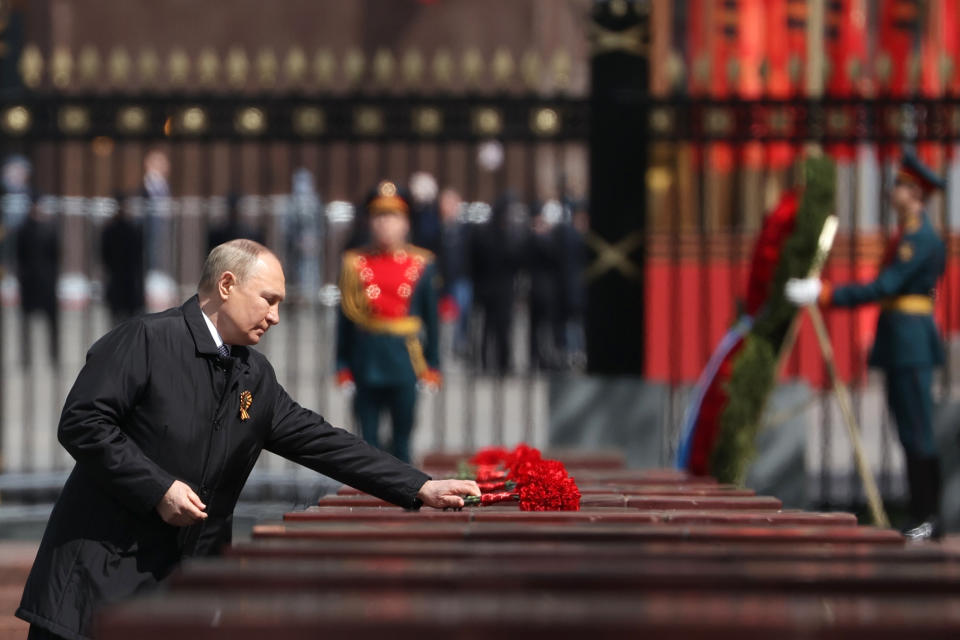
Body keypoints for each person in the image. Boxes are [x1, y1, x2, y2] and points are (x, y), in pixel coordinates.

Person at [17, 239, 478, 640]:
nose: (276, 317)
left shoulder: (253, 373)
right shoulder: (147, 339)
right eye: (268, 300)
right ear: (226, 286)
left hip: (181, 593)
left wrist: (419, 487)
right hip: (94, 586)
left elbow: (321, 440)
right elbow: (82, 421)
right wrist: (156, 487)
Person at [785, 152, 946, 541]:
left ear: (915, 193)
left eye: (899, 186)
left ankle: (930, 517)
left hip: (911, 344)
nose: (892, 192)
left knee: (918, 432)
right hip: (899, 341)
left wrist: (824, 294)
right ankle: (920, 512)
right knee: (908, 431)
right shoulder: (907, 234)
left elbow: (885, 287)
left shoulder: (919, 239)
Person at [336, 181, 441, 464]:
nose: (385, 224)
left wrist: (433, 365)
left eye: (393, 216)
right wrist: (342, 365)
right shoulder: (354, 263)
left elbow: (432, 318)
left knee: (403, 439)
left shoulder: (422, 263)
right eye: (379, 216)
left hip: (405, 359)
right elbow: (344, 320)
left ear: (405, 223)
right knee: (367, 441)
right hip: (367, 359)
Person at [15, 198, 59, 365]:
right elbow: (20, 256)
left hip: (47, 281)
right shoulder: (24, 229)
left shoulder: (50, 228)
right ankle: (26, 356)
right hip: (30, 282)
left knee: (52, 322)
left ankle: (54, 354)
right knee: (26, 323)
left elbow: (56, 256)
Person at [100, 194, 145, 325]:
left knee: (122, 323)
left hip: (127, 283)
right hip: (120, 282)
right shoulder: (113, 231)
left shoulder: (131, 230)